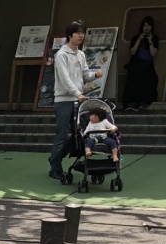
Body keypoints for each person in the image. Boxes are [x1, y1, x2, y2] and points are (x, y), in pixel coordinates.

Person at [48, 22, 102, 180]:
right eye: (78, 33)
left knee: (77, 135)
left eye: (82, 33)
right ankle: (55, 168)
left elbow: (85, 76)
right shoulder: (61, 55)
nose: (81, 35)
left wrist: (95, 76)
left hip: (78, 99)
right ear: (70, 35)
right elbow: (65, 79)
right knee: (63, 134)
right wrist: (77, 93)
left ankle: (55, 159)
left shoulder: (81, 54)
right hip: (64, 100)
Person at [122, 17, 159, 111]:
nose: (146, 28)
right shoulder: (135, 38)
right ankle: (128, 104)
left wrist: (150, 40)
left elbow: (153, 53)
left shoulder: (155, 38)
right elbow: (133, 52)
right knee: (132, 82)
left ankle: (141, 102)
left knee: (149, 81)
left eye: (149, 25)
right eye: (145, 25)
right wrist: (139, 39)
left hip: (147, 66)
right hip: (135, 65)